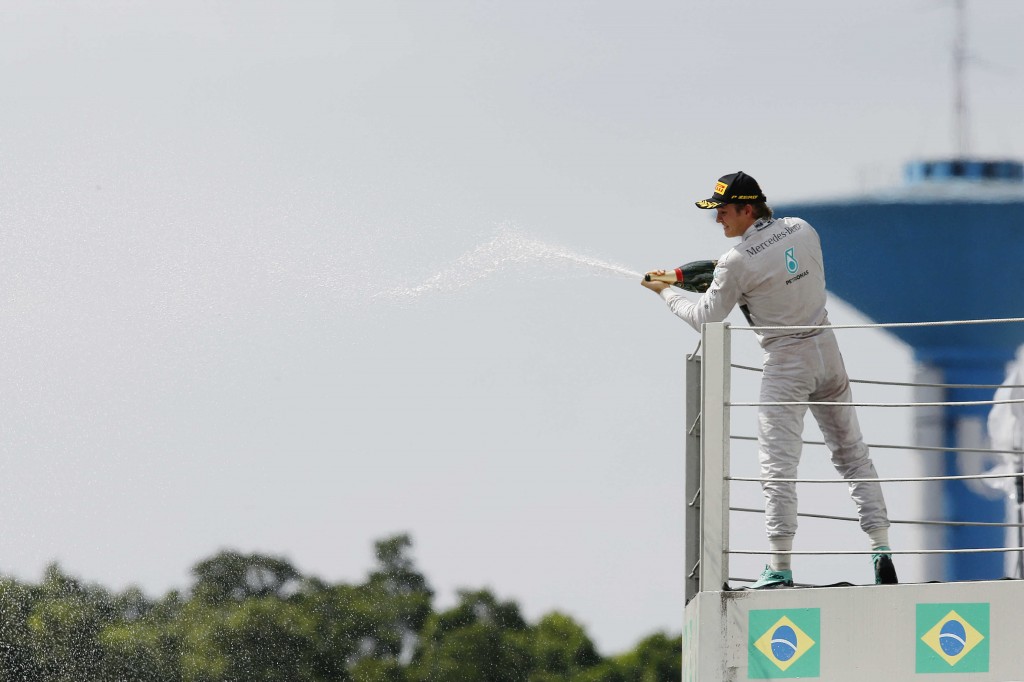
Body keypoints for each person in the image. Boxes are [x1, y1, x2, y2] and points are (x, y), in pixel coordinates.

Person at [642, 171, 897, 588]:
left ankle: (779, 567)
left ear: (747, 208)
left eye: (722, 211)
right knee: (853, 453)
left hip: (785, 361)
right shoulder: (802, 228)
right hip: (827, 348)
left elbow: (707, 316)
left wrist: (665, 293)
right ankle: (881, 548)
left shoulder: (735, 263)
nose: (718, 219)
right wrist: (692, 275)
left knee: (776, 468)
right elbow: (758, 265)